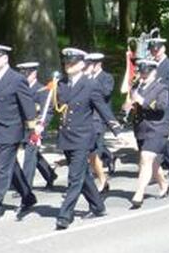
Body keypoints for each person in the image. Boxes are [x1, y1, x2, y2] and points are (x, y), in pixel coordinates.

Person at [51, 48, 122, 230]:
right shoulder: (61, 84)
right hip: (66, 136)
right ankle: (98, 206)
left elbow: (102, 108)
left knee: (74, 177)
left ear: (82, 64)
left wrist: (117, 130)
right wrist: (39, 125)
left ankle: (65, 215)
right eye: (67, 62)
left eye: (73, 63)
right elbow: (53, 108)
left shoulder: (90, 85)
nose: (68, 66)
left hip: (83, 137)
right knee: (83, 175)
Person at [0, 44, 38, 222]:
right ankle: (28, 197)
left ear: (5, 59)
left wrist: (32, 130)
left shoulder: (16, 79)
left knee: (2, 169)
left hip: (11, 130)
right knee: (12, 166)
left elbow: (27, 105)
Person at [125, 58, 169, 208]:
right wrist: (128, 107)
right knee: (152, 162)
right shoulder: (136, 87)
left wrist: (142, 101)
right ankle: (164, 184)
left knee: (145, 158)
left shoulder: (161, 87)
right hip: (141, 128)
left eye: (146, 73)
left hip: (156, 128)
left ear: (154, 72)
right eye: (142, 73)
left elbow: (161, 107)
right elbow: (133, 105)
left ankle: (139, 193)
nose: (143, 76)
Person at [15, 62, 58, 190]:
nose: (24, 77)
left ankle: (26, 186)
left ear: (34, 74)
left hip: (36, 128)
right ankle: (50, 174)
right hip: (21, 127)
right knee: (34, 155)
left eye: (27, 74)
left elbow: (47, 111)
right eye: (22, 74)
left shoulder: (42, 90)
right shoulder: (19, 89)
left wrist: (41, 126)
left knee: (29, 155)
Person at [149, 38, 169, 178]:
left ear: (163, 49)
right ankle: (160, 165)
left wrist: (156, 84)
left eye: (157, 50)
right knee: (154, 136)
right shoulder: (150, 65)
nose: (154, 53)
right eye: (152, 50)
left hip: (166, 106)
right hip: (151, 107)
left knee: (161, 138)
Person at [85, 52, 115, 191]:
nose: (90, 67)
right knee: (92, 149)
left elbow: (105, 93)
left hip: (100, 118)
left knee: (96, 149)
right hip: (87, 118)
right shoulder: (86, 78)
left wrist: (92, 81)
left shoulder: (106, 77)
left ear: (99, 64)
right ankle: (108, 157)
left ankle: (101, 180)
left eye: (92, 64)